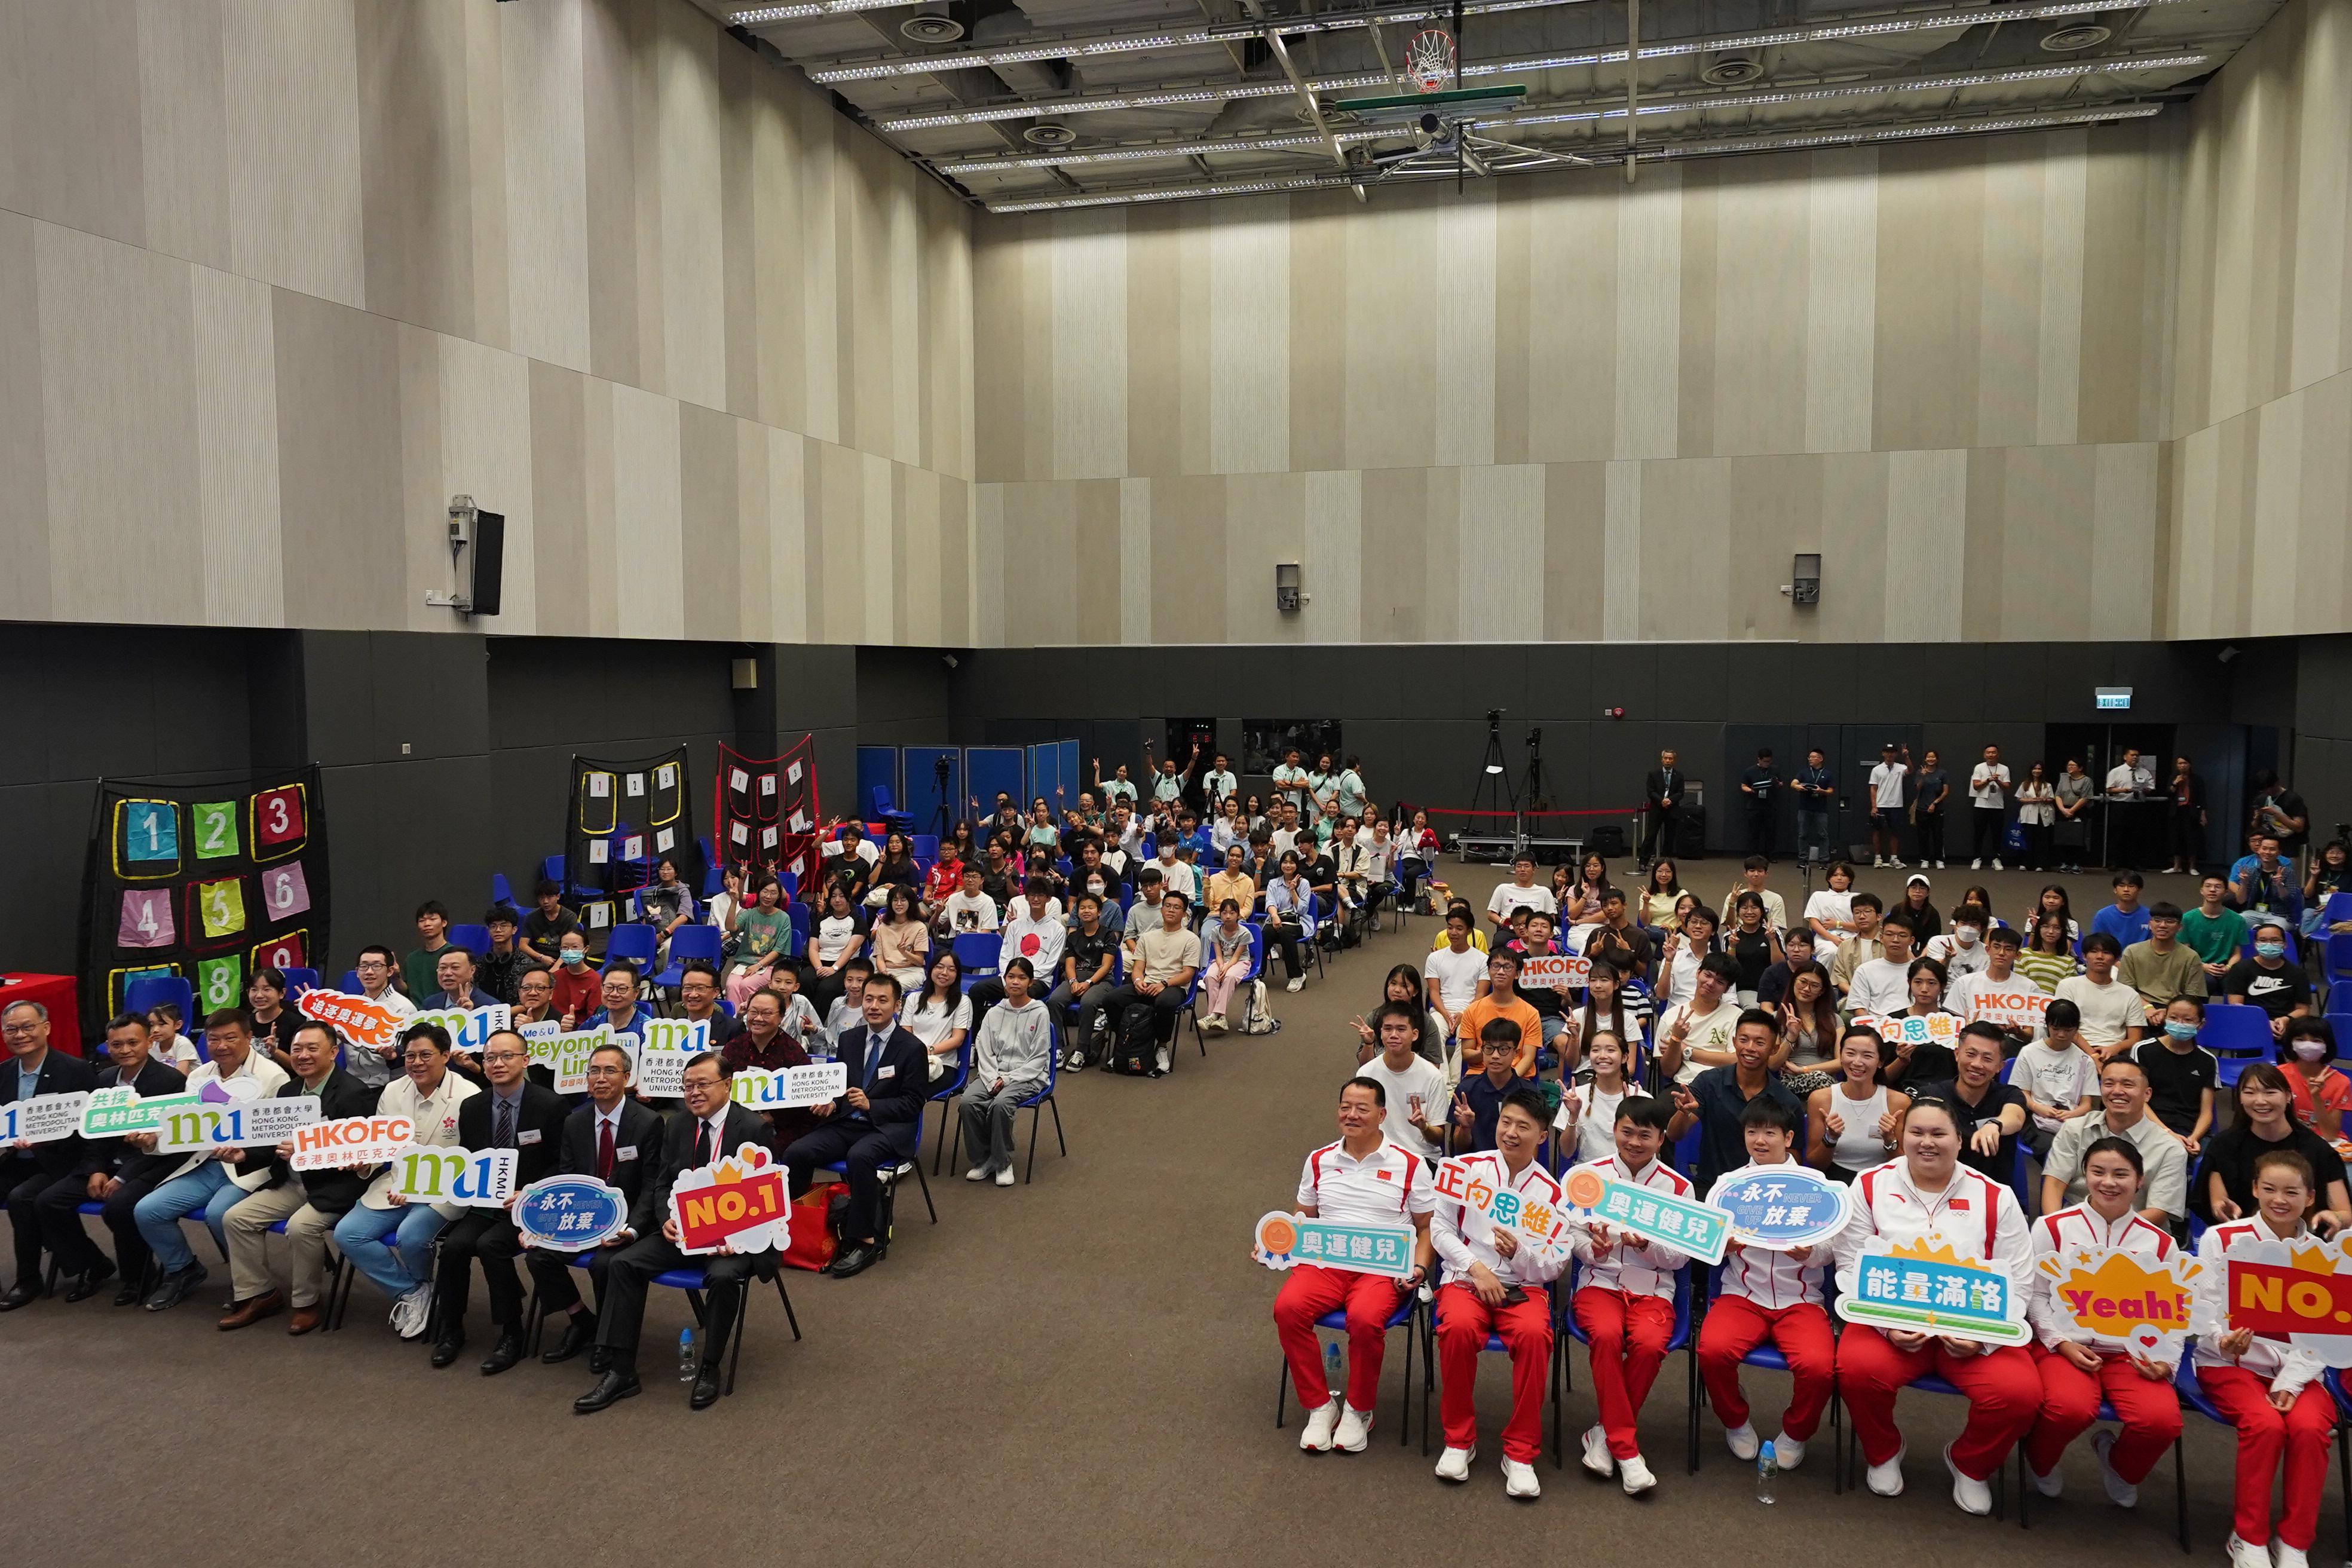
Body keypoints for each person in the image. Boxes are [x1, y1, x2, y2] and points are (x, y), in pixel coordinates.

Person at [1833, 1097, 2036, 1514]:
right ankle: (1884, 1450)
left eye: (1939, 1134)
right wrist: (1886, 1327)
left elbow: (2019, 1280)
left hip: (1969, 1330)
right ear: (1902, 1136)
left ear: (1959, 1140)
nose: (1927, 1143)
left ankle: (1970, 1462)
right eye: (1917, 1133)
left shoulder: (1996, 1197)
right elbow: (1851, 1265)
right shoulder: (1871, 1185)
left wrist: (1980, 1339)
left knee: (2020, 1394)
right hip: (1892, 1325)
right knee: (1855, 1369)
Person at [574, 1051, 779, 1413]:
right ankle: (622, 1372)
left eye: (703, 1085)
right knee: (623, 1263)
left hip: (735, 1241)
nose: (694, 1093)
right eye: (687, 1087)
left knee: (724, 1277)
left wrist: (738, 1238)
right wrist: (667, 1216)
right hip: (686, 1231)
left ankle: (710, 1366)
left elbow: (770, 1198)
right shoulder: (679, 1125)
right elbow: (662, 1182)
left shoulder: (752, 1128)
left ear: (727, 1085)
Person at [2020, 1136, 2186, 1508]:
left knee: (2161, 1422)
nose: (2109, 1182)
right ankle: (2039, 1460)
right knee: (2069, 1409)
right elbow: (2036, 1294)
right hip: (2065, 1347)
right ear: (2084, 1175)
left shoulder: (2161, 1245)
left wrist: (2166, 1361)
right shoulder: (2054, 1228)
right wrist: (2059, 1342)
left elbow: (2175, 1313)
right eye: (2098, 1172)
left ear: (2139, 1181)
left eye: (2121, 1174)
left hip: (2133, 1354)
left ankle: (2119, 1465)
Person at [1275, 1074, 1437, 1456]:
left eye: (1362, 1109)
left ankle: (1359, 1410)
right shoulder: (1320, 1159)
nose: (1352, 1115)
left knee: (1364, 1319)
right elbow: (1303, 1219)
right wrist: (1275, 1246)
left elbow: (1427, 1227)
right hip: (1327, 1263)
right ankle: (1320, 1405)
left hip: (1382, 1267)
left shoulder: (1410, 1164)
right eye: (1345, 1107)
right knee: (1287, 1309)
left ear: (1381, 1115)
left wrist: (1419, 1269)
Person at [2193, 1150, 2336, 1568]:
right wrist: (2222, 1340)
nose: (2280, 1199)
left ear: (2310, 1198)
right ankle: (2249, 1537)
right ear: (2255, 1189)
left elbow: (2325, 1334)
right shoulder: (2222, 1239)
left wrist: (2290, 1382)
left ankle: (2294, 1543)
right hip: (2228, 1366)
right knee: (2266, 1425)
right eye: (2269, 1189)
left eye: (2292, 1192)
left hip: (2299, 1373)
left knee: (2311, 1430)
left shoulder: (2323, 1256)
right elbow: (2203, 1306)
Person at [1432, 1087, 1567, 1496]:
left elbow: (1557, 1263)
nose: (1511, 1132)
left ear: (1542, 1136)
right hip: (1467, 1278)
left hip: (1522, 1287)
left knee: (1533, 1337)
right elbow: (1439, 1229)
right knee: (1456, 1329)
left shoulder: (1552, 1192)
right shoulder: (1464, 1169)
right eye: (1506, 1122)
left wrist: (1522, 1255)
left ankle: (1521, 1452)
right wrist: (1475, 1268)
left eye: (1523, 1126)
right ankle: (1459, 1440)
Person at [217, 1019, 379, 1333]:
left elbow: (355, 1156)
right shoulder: (288, 1090)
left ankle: (306, 1303)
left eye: (312, 1049)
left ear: (333, 1052)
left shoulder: (354, 1094)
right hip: (292, 1181)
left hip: (335, 1186)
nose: (303, 1055)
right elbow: (272, 1142)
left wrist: (307, 1153)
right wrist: (245, 1155)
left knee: (301, 1227)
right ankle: (258, 1294)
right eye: (297, 1049)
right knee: (235, 1217)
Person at [1699, 1097, 1836, 1469]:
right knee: (1712, 1351)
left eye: (1770, 1132)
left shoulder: (1815, 1186)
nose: (1760, 1140)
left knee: (1820, 1366)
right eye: (1752, 1131)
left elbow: (1833, 1245)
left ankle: (1795, 1433)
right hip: (1743, 1294)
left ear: (1789, 1137)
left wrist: (1811, 1253)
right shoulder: (1729, 1186)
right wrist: (1722, 1245)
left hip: (1801, 1299)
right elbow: (1706, 1244)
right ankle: (1736, 1419)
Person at [427, 1029, 568, 1373]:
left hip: (533, 1204)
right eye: (490, 1058)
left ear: (525, 1060)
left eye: (507, 1056)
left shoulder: (550, 1105)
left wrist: (531, 1191)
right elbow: (467, 1159)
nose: (498, 1064)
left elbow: (563, 1163)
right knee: (455, 1247)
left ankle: (511, 1332)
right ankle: (452, 1327)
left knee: (492, 1246)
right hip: (487, 1201)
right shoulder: (473, 1107)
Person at [132, 1007, 290, 1312]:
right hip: (205, 1164)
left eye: (231, 1038)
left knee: (220, 1213)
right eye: (213, 1039)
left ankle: (251, 1285)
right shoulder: (198, 1077)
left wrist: (243, 1149)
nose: (221, 1046)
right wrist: (154, 1140)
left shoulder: (274, 1076)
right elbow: (184, 1132)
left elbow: (277, 1135)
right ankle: (183, 1270)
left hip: (249, 1167)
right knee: (147, 1210)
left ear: (248, 1038)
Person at [1570, 1094, 1689, 1493]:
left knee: (1651, 1344)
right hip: (1599, 1282)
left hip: (1653, 1287)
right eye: (1627, 1132)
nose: (1634, 1142)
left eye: (1645, 1135)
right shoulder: (1589, 1176)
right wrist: (1595, 1249)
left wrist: (1647, 1247)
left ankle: (1605, 1436)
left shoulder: (1679, 1187)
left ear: (1660, 1140)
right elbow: (1572, 1237)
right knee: (1605, 1336)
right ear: (1614, 1131)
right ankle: (1627, 1449)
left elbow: (1679, 1259)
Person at [329, 1020, 475, 1336]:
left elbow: (470, 1159)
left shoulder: (468, 1095)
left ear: (446, 1056)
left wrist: (417, 1186)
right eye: (410, 1056)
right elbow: (381, 1145)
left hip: (445, 1189)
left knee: (410, 1236)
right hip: (394, 1185)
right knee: (348, 1233)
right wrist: (363, 1162)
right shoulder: (393, 1091)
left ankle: (420, 1292)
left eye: (426, 1055)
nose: (417, 1063)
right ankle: (413, 1292)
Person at [781, 974, 927, 1279]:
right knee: (796, 1151)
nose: (874, 1006)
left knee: (859, 1158)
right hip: (848, 1121)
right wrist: (832, 1103)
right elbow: (840, 1087)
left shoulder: (912, 1048)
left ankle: (864, 1239)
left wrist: (872, 1105)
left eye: (883, 1000)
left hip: (888, 1127)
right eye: (869, 999)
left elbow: (914, 1102)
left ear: (897, 1005)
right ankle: (792, 1226)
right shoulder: (850, 1040)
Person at [529, 1042, 663, 1370]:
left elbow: (652, 1186)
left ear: (628, 1078)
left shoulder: (648, 1122)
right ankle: (581, 1320)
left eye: (609, 1071)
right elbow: (566, 1178)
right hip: (582, 1217)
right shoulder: (575, 1122)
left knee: (604, 1264)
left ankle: (606, 1338)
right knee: (538, 1255)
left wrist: (631, 1229)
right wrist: (541, 1226)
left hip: (628, 1219)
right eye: (594, 1071)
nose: (600, 1079)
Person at [71, 1012, 188, 1306]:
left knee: (118, 1207)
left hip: (155, 1162)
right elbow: (94, 1133)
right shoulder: (104, 1079)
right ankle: (92, 1264)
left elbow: (168, 1142)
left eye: (133, 1043)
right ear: (107, 1047)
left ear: (150, 1041)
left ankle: (138, 1277)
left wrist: (122, 1177)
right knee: (49, 1201)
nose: (124, 1050)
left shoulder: (170, 1081)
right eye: (116, 1045)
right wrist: (96, 1169)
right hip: (110, 1163)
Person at [0, 1000, 102, 1309]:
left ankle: (29, 1278)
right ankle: (94, 1263)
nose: (20, 1035)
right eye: (12, 1029)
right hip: (12, 1159)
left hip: (60, 1161)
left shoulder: (75, 1070)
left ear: (46, 1028)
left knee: (23, 1199)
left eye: (28, 1027)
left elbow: (90, 1128)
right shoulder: (2, 1073)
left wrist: (43, 1140)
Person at [2194, 1064, 2351, 1232]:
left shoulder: (2317, 1149)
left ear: (2288, 1096)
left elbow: (2345, 1213)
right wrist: (2222, 1210)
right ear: (2240, 1098)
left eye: (2270, 1092)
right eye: (2249, 1092)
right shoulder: (2224, 1145)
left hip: (2304, 1244)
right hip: (2244, 1242)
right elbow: (2218, 1201)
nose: (2260, 1101)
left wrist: (2335, 1217)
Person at [1665, 1009, 1803, 1194]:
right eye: (1744, 1040)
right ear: (1734, 1042)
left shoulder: (1787, 1101)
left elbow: (1793, 1159)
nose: (1750, 1048)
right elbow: (1674, 1135)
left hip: (1763, 1192)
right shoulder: (1709, 1082)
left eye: (1760, 1042)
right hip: (1712, 1188)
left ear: (1774, 1049)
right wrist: (1684, 1113)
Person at [2039, 1057, 2188, 1223]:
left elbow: (2159, 1211)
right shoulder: (2075, 1129)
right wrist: (2055, 1228)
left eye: (2128, 1085)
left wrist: (2107, 1233)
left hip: (2138, 1232)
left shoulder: (2170, 1148)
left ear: (2147, 1094)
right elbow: (2054, 1185)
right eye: (2109, 1084)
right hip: (2076, 1227)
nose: (2117, 1091)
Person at [958, 957, 1053, 1187]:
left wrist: (1008, 1079)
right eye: (1011, 977)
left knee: (1001, 1104)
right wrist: (992, 1078)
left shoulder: (1040, 1012)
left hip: (1027, 1076)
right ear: (1004, 980)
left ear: (1031, 982)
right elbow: (985, 1049)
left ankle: (1003, 1162)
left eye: (1022, 978)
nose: (1015, 982)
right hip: (994, 1074)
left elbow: (1039, 1058)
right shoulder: (994, 1013)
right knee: (967, 1102)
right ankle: (984, 1159)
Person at [1103, 893, 1202, 1077]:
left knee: (1164, 1003)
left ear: (1184, 913)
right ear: (1162, 910)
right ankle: (1125, 1042)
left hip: (1174, 986)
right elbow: (1138, 968)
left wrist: (1164, 984)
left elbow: (1188, 974)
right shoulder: (1148, 938)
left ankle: (1162, 1047)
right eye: (1168, 906)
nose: (1171, 910)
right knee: (1111, 999)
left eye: (1177, 907)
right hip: (1148, 983)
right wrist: (1138, 981)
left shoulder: (1191, 939)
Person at [1912, 1023, 2027, 1179]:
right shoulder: (1931, 1095)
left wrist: (1996, 1124)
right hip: (1938, 1187)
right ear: (1957, 1054)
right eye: (1971, 1054)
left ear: (2001, 1066)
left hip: (1992, 1193)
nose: (1977, 1064)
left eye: (1987, 1058)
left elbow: (2016, 1117)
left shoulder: (2009, 1094)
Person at [1806, 1027, 1908, 1181]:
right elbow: (1816, 1164)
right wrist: (1830, 1138)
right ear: (1841, 1056)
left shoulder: (1898, 1102)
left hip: (1883, 1180)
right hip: (1836, 1180)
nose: (1857, 1062)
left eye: (1867, 1056)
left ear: (1880, 1062)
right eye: (1850, 1053)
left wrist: (1889, 1139)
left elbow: (1905, 1164)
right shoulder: (1820, 1099)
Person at [2011, 999, 2100, 1161]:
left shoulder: (2085, 1061)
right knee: (2055, 1150)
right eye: (2056, 1028)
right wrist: (2038, 1108)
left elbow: (2087, 1105)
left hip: (2072, 1120)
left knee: (2091, 1150)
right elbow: (2021, 1092)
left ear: (2077, 1030)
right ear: (2047, 1025)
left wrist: (2072, 1114)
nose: (2061, 1035)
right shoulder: (2029, 1052)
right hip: (2036, 1117)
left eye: (2068, 1030)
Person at [1356, 1003, 1448, 1160]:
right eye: (1388, 1029)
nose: (1393, 1035)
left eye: (1401, 1029)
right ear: (1381, 1033)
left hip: (1420, 1157)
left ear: (1415, 1035)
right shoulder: (1366, 1074)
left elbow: (1438, 1138)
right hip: (1377, 1156)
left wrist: (1424, 1127)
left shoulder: (1432, 1076)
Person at [2130, 997, 2218, 1154]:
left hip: (2190, 1131)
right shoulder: (2143, 1050)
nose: (2179, 1024)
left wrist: (2193, 1139)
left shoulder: (2208, 1061)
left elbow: (2207, 1111)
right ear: (2165, 1018)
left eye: (2188, 1020)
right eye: (2173, 1018)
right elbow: (2138, 1101)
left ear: (2200, 1025)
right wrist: (2167, 1133)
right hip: (2150, 1126)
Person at [1556, 1031, 1649, 1165]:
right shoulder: (1576, 1097)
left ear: (1624, 1058)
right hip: (1591, 1176)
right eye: (1596, 1050)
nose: (1603, 1056)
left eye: (1611, 1050)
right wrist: (1573, 1116)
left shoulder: (1642, 1098)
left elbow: (1653, 1149)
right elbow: (1567, 1152)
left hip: (1631, 1176)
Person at [1450, 1019, 1537, 1154]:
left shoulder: (1529, 1093)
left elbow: (1532, 1150)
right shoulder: (1466, 1090)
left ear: (1516, 1052)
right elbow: (1460, 1149)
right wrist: (1466, 1128)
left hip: (1513, 1168)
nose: (1495, 1056)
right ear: (1482, 1050)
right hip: (1475, 1168)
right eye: (1489, 1049)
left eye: (1503, 1049)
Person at [2116, 901, 2207, 1026]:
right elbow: (2126, 990)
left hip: (2175, 1011)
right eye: (2157, 920)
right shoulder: (2132, 951)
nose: (2163, 925)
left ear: (2180, 927)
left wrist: (2169, 1012)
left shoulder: (2191, 956)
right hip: (2139, 1005)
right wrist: (2147, 1008)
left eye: (2170, 922)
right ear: (2150, 923)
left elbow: (2193, 996)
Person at [2056, 934, 2145, 1061]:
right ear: (2084, 956)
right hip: (2073, 1049)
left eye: (2106, 952)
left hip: (2114, 1054)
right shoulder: (2068, 986)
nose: (2100, 957)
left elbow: (2135, 1038)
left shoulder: (2130, 994)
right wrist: (2093, 1055)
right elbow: (2064, 1026)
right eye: (2094, 952)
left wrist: (2115, 1049)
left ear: (2116, 959)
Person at [1457, 947, 1541, 1079]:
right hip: (1480, 1076)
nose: (1501, 972)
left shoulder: (1531, 1013)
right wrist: (1488, 1050)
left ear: (1517, 974)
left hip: (1516, 1077)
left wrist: (1510, 1081)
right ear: (1489, 970)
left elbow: (1528, 1056)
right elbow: (1467, 1054)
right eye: (1496, 966)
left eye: (1507, 967)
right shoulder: (1472, 1010)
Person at [1657, 954, 1741, 1083]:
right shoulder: (1671, 1017)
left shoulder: (1737, 1017)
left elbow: (1736, 1060)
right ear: (1698, 973)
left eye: (1720, 982)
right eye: (1707, 975)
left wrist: (1686, 1050)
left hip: (1723, 1086)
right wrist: (1676, 1040)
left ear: (1727, 989)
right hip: (1684, 1084)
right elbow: (1668, 1071)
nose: (1710, 983)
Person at [2222, 921, 2312, 1039]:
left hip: (2286, 1025)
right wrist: (2264, 1022)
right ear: (2255, 944)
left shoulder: (2298, 973)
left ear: (2285, 944)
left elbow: (2303, 1009)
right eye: (2263, 940)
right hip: (2251, 1022)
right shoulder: (2241, 969)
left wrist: (2286, 1020)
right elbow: (2236, 1005)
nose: (2269, 944)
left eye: (2275, 940)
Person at [2279, 1016, 2350, 1140]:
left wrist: (2316, 1097)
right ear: (2291, 1044)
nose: (2308, 1045)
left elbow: (2330, 1135)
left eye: (2316, 1041)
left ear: (2327, 1045)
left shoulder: (2341, 1082)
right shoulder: (2278, 1075)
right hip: (2288, 1140)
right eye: (2300, 1040)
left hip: (2325, 1143)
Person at [1198, 900, 1255, 1033]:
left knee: (1229, 977)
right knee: (1210, 976)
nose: (1228, 916)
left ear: (1238, 915)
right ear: (1220, 914)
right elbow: (1218, 955)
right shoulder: (1216, 931)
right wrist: (1221, 965)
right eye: (1224, 913)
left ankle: (1213, 1015)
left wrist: (1227, 967)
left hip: (1240, 962)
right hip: (1221, 961)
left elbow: (1236, 957)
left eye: (1232, 913)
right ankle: (1220, 1018)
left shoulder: (1244, 933)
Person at [1264, 853, 1317, 994]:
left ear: (1297, 865)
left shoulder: (1304, 884)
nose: (1288, 866)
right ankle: (1259, 973)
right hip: (1278, 919)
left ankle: (1297, 975)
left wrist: (1293, 890)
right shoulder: (1273, 883)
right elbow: (1270, 903)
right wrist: (1274, 916)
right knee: (1266, 933)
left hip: (1299, 922)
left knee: (1285, 933)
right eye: (1285, 862)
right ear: (1281, 865)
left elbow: (1302, 909)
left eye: (1292, 863)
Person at [1846, 915, 1918, 1016]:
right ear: (1881, 937)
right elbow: (1859, 1008)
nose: (1896, 940)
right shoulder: (1865, 970)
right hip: (1877, 1026)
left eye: (1902, 935)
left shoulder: (1920, 972)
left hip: (1912, 1026)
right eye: (1890, 934)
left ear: (1912, 941)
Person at [869, 883, 931, 994]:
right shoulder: (883, 927)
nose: (899, 904)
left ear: (910, 903)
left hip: (911, 971)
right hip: (886, 970)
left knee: (892, 989)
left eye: (903, 900)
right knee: (871, 988)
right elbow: (880, 958)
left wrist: (905, 953)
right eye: (895, 900)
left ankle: (896, 1010)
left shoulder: (919, 927)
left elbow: (919, 961)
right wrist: (884, 973)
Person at [477, 907, 538, 1006]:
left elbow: (530, 1002)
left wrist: (502, 1014)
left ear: (514, 930)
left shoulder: (526, 964)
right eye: (493, 926)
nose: (498, 930)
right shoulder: (481, 963)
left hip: (515, 1016)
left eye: (503, 926)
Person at [1640, 749, 1688, 869]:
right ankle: (1643, 862)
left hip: (1672, 810)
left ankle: (1666, 863)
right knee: (1651, 836)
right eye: (1666, 758)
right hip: (1657, 809)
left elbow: (1681, 793)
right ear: (1662, 759)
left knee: (1670, 837)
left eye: (1670, 759)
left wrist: (1670, 800)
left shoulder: (1679, 775)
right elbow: (1650, 791)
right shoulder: (1654, 774)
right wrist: (1661, 801)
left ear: (1674, 761)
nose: (1668, 761)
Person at [2016, 910, 2081, 997]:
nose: (2051, 931)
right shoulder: (2023, 955)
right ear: (2039, 929)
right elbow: (2019, 987)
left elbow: (2067, 992)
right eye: (2046, 927)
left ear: (2063, 932)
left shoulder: (2069, 961)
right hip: (2026, 1004)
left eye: (2057, 928)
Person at [1965, 745, 2010, 869]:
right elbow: (1976, 786)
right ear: (1985, 755)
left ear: (1998, 754)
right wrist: (1989, 780)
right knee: (1979, 834)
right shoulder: (1979, 768)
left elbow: (2007, 787)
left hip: (1998, 807)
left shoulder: (2004, 769)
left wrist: (1998, 781)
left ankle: (1996, 859)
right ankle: (1977, 858)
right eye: (1988, 753)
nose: (1991, 755)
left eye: (1993, 752)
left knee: (1997, 834)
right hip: (1981, 806)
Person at [1867, 742, 1911, 868]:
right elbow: (1873, 788)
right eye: (1887, 752)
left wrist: (1907, 757)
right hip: (1881, 805)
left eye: (1892, 752)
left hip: (1896, 805)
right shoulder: (1876, 770)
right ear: (1883, 754)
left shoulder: (1901, 767)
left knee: (1895, 832)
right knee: (1877, 831)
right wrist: (1874, 806)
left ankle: (1894, 858)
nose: (1889, 755)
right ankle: (1878, 858)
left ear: (1896, 754)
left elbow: (1910, 770)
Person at [520, 880, 583, 966]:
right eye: (541, 898)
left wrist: (556, 967)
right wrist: (541, 957)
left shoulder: (569, 917)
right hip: (538, 959)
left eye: (549, 897)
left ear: (558, 897)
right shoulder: (531, 917)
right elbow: (523, 945)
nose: (545, 901)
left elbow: (570, 947)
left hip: (563, 959)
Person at [548, 930, 602, 1029]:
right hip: (552, 1027)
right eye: (565, 947)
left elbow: (594, 1018)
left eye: (575, 947)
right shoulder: (555, 977)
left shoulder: (595, 980)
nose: (569, 951)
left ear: (586, 949)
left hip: (578, 1032)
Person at [1906, 748, 1949, 869]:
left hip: (1938, 809)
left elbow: (1946, 792)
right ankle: (1925, 859)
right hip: (1921, 809)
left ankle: (1939, 859)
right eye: (1929, 757)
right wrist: (1923, 777)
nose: (1931, 759)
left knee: (1938, 835)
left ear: (1937, 759)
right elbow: (1918, 788)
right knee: (1923, 835)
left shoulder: (1942, 773)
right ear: (1925, 759)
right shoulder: (1920, 772)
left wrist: (1935, 803)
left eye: (1933, 757)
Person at [2164, 755, 2208, 875]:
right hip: (2176, 812)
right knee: (2176, 838)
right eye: (2180, 763)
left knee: (2192, 839)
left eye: (2185, 763)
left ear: (2190, 765)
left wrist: (2203, 815)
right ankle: (2176, 866)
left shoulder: (2197, 779)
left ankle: (2192, 867)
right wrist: (2175, 783)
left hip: (2191, 812)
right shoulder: (2174, 777)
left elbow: (2202, 798)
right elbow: (2169, 793)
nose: (2182, 765)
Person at [403, 901, 454, 999]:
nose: (427, 924)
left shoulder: (454, 955)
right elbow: (407, 991)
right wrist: (396, 978)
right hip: (415, 1013)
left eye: (432, 919)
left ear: (444, 923)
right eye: (422, 921)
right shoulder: (411, 959)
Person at [1738, 747, 1781, 859]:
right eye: (1765, 761)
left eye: (1769, 761)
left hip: (1770, 805)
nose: (1767, 764)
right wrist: (1751, 790)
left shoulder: (1775, 770)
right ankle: (1753, 855)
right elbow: (1743, 786)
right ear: (1759, 760)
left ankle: (1770, 855)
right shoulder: (1750, 771)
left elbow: (1781, 784)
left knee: (1770, 832)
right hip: (1754, 806)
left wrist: (1777, 784)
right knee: (1754, 832)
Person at [2091, 871, 2152, 950]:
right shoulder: (2102, 916)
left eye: (2131, 886)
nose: (2126, 890)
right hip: (2111, 960)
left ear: (2139, 890)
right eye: (2121, 886)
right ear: (2115, 890)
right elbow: (2097, 944)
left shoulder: (2150, 916)